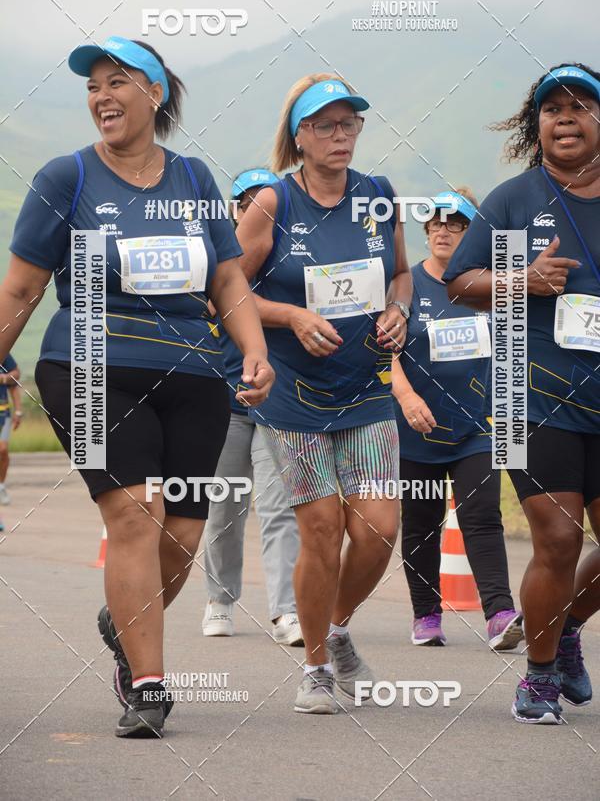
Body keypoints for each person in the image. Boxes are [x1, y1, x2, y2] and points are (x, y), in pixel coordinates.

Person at [0, 36, 273, 739]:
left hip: (192, 374)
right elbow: (23, 288)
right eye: (93, 86)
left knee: (181, 535)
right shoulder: (68, 179)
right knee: (133, 516)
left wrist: (255, 351)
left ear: (155, 93)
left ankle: (121, 621)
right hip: (88, 366)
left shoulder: (194, 178)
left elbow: (226, 278)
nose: (101, 97)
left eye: (117, 82)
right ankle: (148, 685)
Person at [235, 74, 412, 713]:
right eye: (326, 126)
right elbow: (230, 291)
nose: (341, 136)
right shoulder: (273, 203)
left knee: (378, 529)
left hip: (365, 387)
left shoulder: (379, 195)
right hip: (296, 398)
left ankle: (334, 628)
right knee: (321, 528)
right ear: (300, 136)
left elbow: (399, 273)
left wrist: (398, 310)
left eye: (350, 124)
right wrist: (293, 318)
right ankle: (314, 666)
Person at [445, 63, 600, 724]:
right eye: (550, 108)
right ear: (535, 127)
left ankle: (561, 629)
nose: (564, 116)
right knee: (558, 539)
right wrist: (524, 278)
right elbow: (460, 281)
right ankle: (537, 676)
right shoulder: (513, 201)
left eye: (579, 105)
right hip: (526, 393)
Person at [392, 190, 523, 650]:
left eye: (457, 224)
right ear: (426, 232)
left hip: (479, 428)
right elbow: (383, 353)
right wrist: (406, 397)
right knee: (420, 523)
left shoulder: (488, 284)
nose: (444, 230)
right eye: (435, 223)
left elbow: (515, 347)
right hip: (417, 428)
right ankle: (426, 615)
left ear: (474, 235)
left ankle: (500, 614)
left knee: (483, 515)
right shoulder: (406, 285)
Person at [202, 169, 302, 646]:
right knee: (226, 506)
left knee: (281, 508)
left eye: (259, 202)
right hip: (226, 405)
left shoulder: (287, 271)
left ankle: (286, 610)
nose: (250, 209)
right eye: (243, 202)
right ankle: (219, 600)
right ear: (233, 210)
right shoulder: (218, 271)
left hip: (280, 406)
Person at [0, 354, 22, 506]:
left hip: (3, 412)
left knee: (2, 450)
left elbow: (15, 375)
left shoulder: (2, 349)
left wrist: (18, 411)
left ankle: (1, 486)